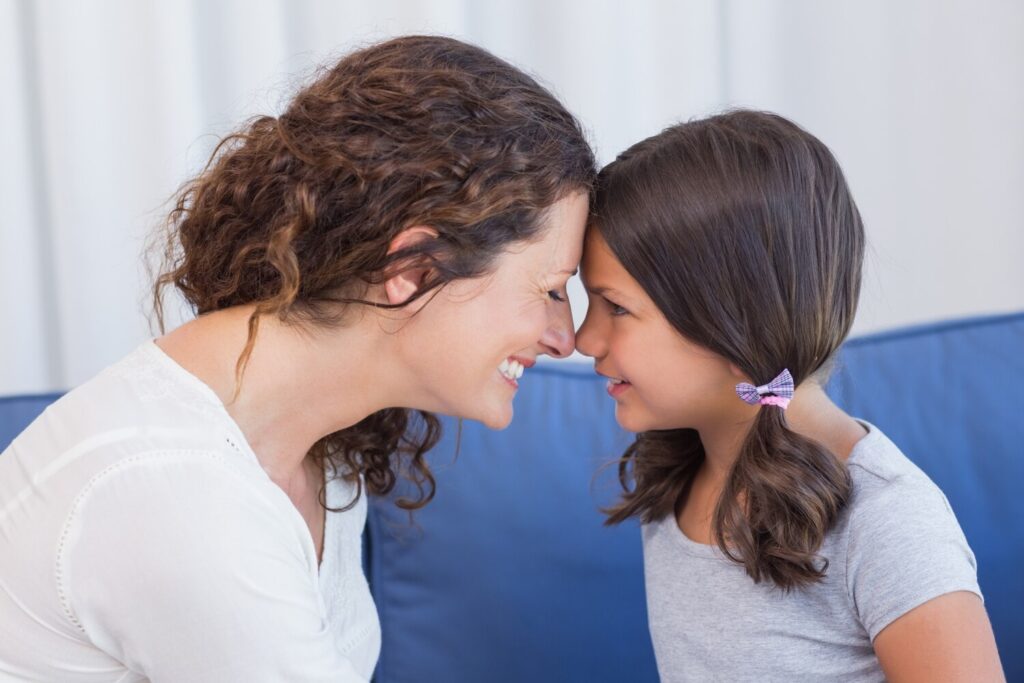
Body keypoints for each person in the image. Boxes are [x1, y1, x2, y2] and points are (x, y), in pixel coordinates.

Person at [0, 35, 595, 681]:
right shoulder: (186, 499)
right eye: (551, 288)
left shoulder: (314, 440)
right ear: (415, 269)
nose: (567, 337)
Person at [576, 110, 1005, 681]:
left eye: (617, 308)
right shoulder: (678, 475)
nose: (584, 339)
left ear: (731, 319)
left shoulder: (888, 521)